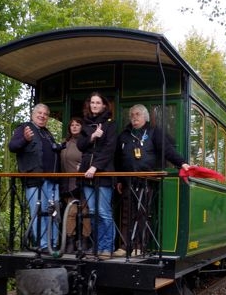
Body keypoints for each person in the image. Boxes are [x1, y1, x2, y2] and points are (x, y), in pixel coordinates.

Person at [114, 104, 190, 257]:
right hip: (128, 180)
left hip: (147, 180)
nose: (134, 118)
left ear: (145, 117)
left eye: (137, 114)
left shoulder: (154, 132)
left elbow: (167, 150)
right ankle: (124, 245)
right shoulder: (124, 135)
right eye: (132, 115)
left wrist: (182, 163)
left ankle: (139, 246)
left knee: (142, 213)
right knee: (126, 213)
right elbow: (117, 159)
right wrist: (118, 179)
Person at [8, 103, 62, 253]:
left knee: (54, 211)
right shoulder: (24, 128)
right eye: (39, 113)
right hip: (34, 179)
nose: (42, 116)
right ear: (33, 114)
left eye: (45, 114)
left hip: (52, 180)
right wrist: (24, 139)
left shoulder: (47, 133)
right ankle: (43, 245)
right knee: (39, 211)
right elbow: (12, 147)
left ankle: (54, 243)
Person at [77, 92, 117, 257]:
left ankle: (107, 247)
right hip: (87, 174)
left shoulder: (110, 125)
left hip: (104, 173)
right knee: (93, 212)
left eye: (98, 102)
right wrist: (93, 136)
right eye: (92, 102)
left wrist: (95, 167)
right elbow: (80, 145)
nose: (94, 105)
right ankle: (98, 246)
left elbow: (109, 149)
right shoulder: (86, 125)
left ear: (104, 105)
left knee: (104, 212)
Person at [60, 117, 91, 253]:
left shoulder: (86, 143)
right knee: (70, 213)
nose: (74, 127)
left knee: (85, 212)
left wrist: (84, 166)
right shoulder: (64, 143)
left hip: (83, 182)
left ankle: (85, 240)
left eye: (77, 124)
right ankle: (70, 241)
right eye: (72, 125)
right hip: (68, 183)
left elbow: (92, 158)